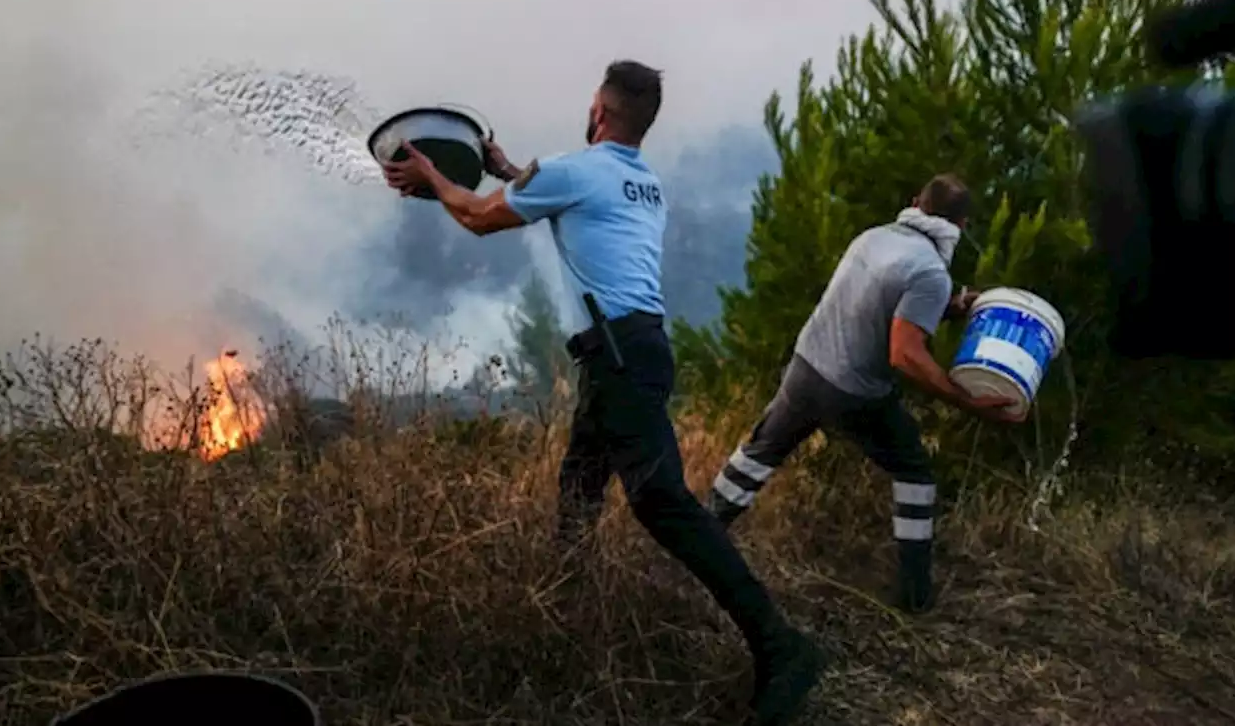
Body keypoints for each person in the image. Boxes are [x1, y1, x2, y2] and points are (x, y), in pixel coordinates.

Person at [382, 61, 825, 725]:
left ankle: (782, 646)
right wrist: (507, 170)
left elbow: (475, 218)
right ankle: (570, 607)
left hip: (619, 359)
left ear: (600, 110)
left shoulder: (576, 170)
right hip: (633, 353)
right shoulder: (642, 181)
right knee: (580, 484)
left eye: (591, 103)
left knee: (665, 505)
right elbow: (561, 194)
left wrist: (432, 177)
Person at [705, 173, 1024, 614]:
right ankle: (913, 599)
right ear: (963, 226)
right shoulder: (931, 270)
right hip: (853, 391)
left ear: (915, 202)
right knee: (914, 473)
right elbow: (904, 354)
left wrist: (955, 304)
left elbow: (879, 301)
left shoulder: (874, 237)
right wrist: (966, 400)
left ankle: (699, 537)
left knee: (759, 454)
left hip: (807, 365)